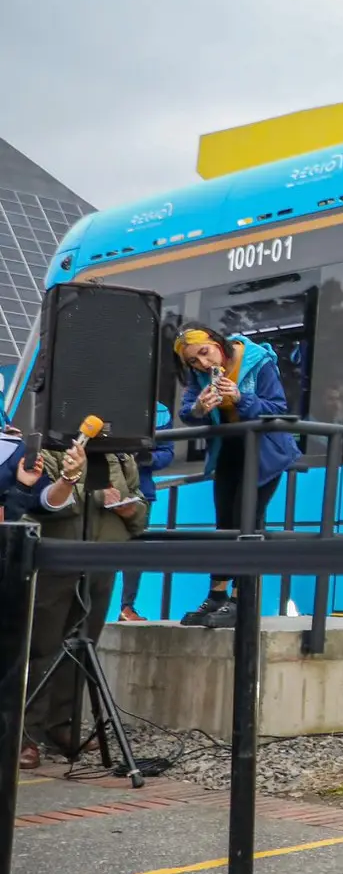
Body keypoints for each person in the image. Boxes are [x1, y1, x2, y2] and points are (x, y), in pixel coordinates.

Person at [12, 430, 149, 768]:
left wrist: (130, 510)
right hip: (56, 560)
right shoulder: (50, 448)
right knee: (41, 648)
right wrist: (98, 498)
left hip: (103, 560)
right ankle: (26, 736)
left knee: (82, 647)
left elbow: (141, 514)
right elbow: (41, 504)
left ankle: (63, 730)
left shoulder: (122, 456)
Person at [173, 325, 299, 628]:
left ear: (217, 343)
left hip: (265, 450)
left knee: (247, 518)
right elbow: (186, 411)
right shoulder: (200, 375)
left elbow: (278, 409)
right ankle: (216, 596)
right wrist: (200, 408)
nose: (203, 364)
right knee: (224, 522)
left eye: (205, 353)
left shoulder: (257, 359)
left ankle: (242, 599)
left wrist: (242, 398)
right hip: (229, 448)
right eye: (193, 361)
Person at [116, 401, 175, 622]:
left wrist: (147, 459)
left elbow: (168, 451)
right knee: (97, 549)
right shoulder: (102, 399)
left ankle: (127, 608)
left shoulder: (160, 411)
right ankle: (86, 608)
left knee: (135, 550)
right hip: (103, 489)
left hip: (141, 491)